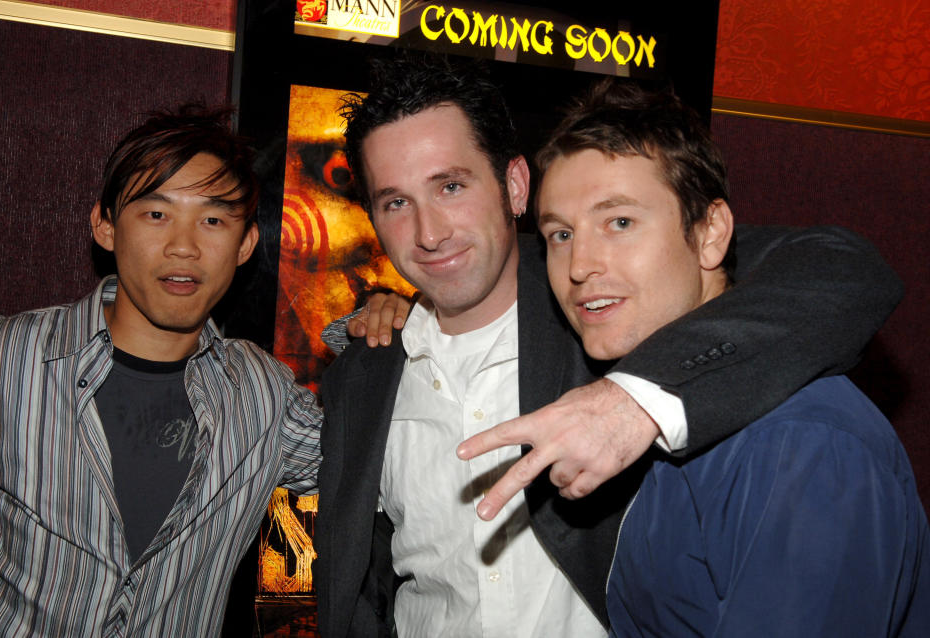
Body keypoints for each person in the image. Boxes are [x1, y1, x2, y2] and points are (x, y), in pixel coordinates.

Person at [314, 53, 904, 637]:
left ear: (514, 185)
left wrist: (635, 398)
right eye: (396, 202)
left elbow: (833, 268)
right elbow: (366, 574)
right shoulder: (363, 373)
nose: (430, 231)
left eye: (450, 185)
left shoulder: (608, 320)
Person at [0, 104, 406, 636]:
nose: (184, 246)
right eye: (156, 214)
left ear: (246, 243)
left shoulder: (265, 396)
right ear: (105, 225)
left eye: (214, 219)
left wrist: (385, 332)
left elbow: (375, 470)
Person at [526, 79, 930, 636]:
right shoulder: (643, 398)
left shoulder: (800, 444)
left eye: (620, 222)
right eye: (561, 234)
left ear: (711, 233)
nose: (579, 264)